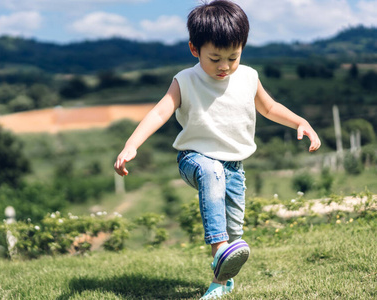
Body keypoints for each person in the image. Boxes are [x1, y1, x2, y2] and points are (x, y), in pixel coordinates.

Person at [114, 0, 321, 298]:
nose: (224, 66)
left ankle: (221, 281)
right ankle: (217, 247)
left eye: (233, 57)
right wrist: (131, 144)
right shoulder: (185, 80)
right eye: (215, 58)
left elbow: (270, 107)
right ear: (194, 49)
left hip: (234, 167)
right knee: (211, 175)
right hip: (194, 159)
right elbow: (160, 112)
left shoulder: (248, 76)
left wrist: (301, 121)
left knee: (235, 235)